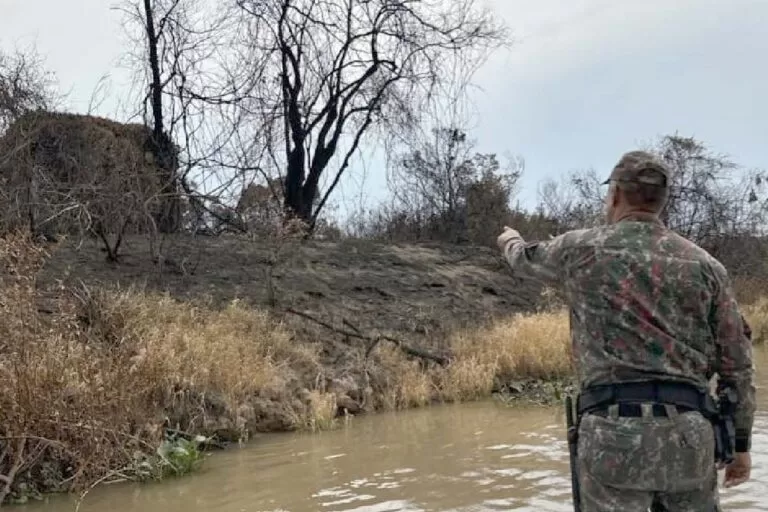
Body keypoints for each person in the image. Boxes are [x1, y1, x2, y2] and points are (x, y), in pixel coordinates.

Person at [496, 150, 756, 511]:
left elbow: (522, 259)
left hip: (611, 435)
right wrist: (741, 445)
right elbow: (737, 365)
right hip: (690, 437)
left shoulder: (580, 248)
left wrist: (509, 239)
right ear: (662, 202)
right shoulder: (708, 266)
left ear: (615, 194)